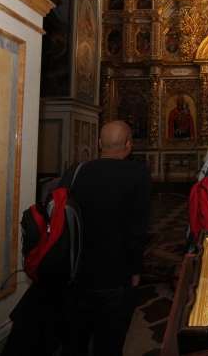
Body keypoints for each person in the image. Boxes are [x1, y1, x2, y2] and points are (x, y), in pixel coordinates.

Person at [64, 120, 152, 356]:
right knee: (109, 346)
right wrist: (135, 272)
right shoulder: (138, 174)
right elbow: (136, 230)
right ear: (129, 144)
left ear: (100, 143)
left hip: (75, 278)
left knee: (73, 345)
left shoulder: (75, 172)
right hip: (116, 279)